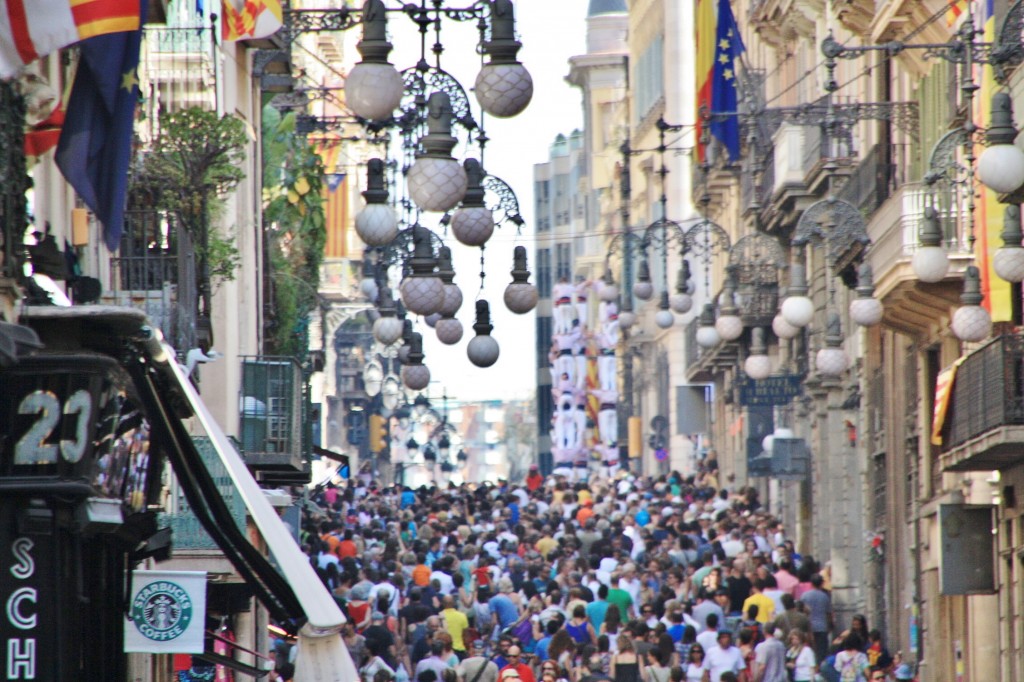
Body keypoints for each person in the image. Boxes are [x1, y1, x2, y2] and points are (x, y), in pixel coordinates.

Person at [798, 575, 832, 664]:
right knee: (821, 651)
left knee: (809, 651)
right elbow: (828, 613)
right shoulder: (825, 596)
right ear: (821, 583)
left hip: (808, 627)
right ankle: (819, 667)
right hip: (822, 626)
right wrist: (830, 625)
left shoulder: (805, 595)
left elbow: (800, 610)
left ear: (811, 583)